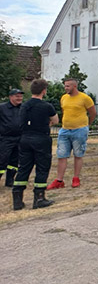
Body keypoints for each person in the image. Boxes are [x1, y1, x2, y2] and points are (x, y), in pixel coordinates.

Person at [12, 79, 59, 210]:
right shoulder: (46, 106)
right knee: (42, 167)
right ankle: (39, 198)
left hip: (25, 139)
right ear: (44, 91)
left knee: (23, 167)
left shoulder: (24, 106)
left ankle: (17, 199)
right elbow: (55, 120)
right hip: (41, 139)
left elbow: (20, 122)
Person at [47, 78, 96, 190]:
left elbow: (92, 112)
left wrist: (87, 124)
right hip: (65, 130)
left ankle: (76, 178)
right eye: (65, 86)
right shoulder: (64, 98)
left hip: (79, 129)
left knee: (78, 154)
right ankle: (59, 180)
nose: (66, 88)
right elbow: (64, 111)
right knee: (61, 155)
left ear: (74, 86)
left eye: (68, 86)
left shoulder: (85, 98)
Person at [0, 88, 24, 187]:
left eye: (21, 96)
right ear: (10, 97)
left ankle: (10, 180)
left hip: (19, 138)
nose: (19, 98)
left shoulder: (23, 108)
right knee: (2, 160)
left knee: (15, 161)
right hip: (5, 138)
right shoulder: (2, 108)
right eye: (17, 96)